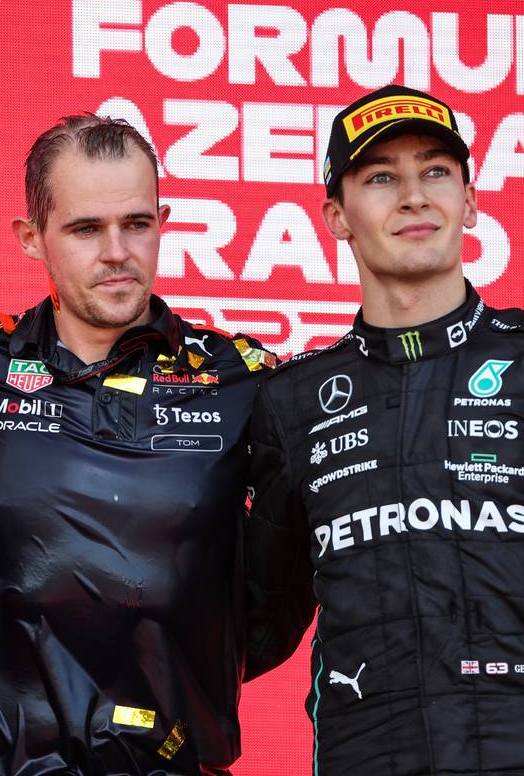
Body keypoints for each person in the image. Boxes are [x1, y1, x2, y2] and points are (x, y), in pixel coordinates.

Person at [0, 114, 276, 775]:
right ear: (32, 238)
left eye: (136, 223)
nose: (117, 251)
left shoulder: (239, 379)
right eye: (85, 229)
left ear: (163, 220)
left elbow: (281, 594)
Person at [244, 85, 524, 774]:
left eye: (436, 171)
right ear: (337, 216)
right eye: (381, 178)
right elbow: (249, 625)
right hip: (368, 754)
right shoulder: (293, 401)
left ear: (470, 200)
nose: (414, 196)